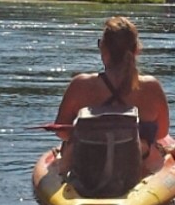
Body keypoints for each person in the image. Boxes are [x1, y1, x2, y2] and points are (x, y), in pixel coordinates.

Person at [55, 15, 170, 174]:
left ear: (103, 48)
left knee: (70, 148)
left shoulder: (80, 85)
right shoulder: (151, 87)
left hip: (88, 158)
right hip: (137, 158)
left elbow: (61, 131)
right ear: (136, 49)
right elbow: (162, 132)